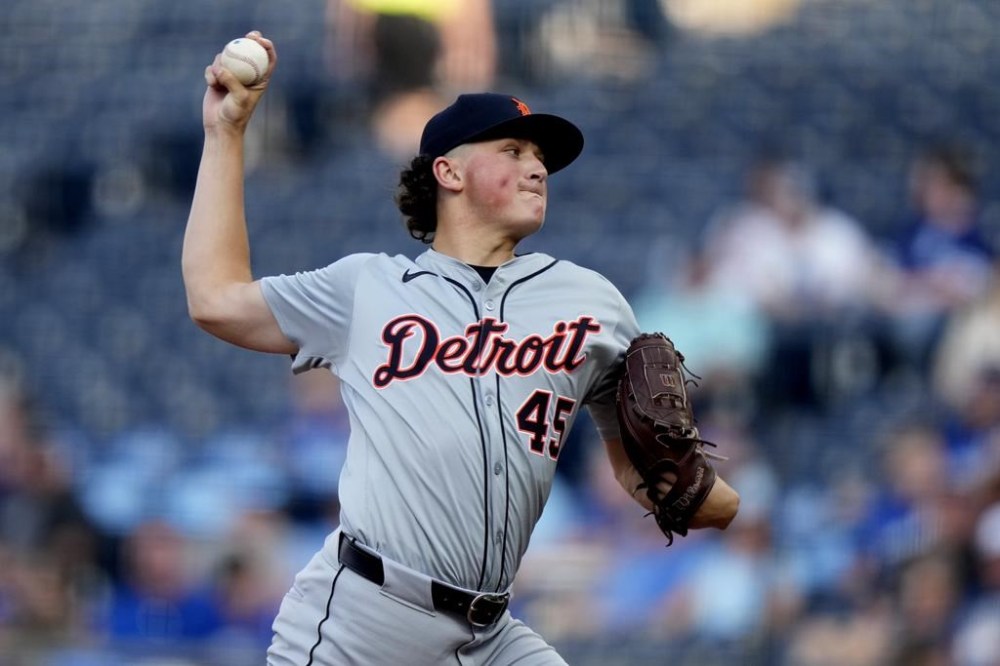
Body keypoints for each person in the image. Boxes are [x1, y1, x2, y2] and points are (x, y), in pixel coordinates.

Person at [183, 31, 739, 665]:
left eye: (541, 158)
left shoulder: (592, 303)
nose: (537, 167)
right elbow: (216, 299)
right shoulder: (369, 288)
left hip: (490, 632)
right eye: (512, 149)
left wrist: (718, 502)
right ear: (447, 170)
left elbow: (636, 470)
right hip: (364, 622)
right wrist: (225, 135)